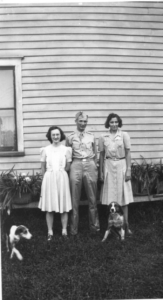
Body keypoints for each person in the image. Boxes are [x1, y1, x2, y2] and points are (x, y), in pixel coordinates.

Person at [99, 113, 133, 234]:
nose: (114, 124)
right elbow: (101, 155)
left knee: (123, 198)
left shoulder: (124, 135)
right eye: (111, 122)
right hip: (108, 166)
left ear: (119, 123)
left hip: (121, 165)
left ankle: (126, 226)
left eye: (116, 122)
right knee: (110, 197)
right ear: (108, 123)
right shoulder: (103, 137)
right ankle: (111, 226)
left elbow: (128, 153)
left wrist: (128, 169)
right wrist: (101, 173)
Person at [66, 111, 100, 235]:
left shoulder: (91, 136)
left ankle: (94, 227)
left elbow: (95, 154)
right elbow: (68, 155)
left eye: (85, 121)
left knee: (92, 197)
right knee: (75, 197)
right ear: (76, 121)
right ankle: (73, 229)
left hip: (90, 163)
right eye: (80, 121)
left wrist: (94, 167)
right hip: (76, 164)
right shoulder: (70, 137)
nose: (83, 123)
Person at [38, 126, 72, 241]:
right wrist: (46, 179)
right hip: (49, 178)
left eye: (58, 134)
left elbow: (68, 166)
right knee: (49, 205)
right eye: (53, 135)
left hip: (62, 177)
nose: (56, 137)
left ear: (61, 135)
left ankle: (64, 230)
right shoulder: (45, 150)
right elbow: (42, 167)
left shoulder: (66, 149)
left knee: (64, 205)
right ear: (50, 136)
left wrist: (60, 173)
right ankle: (50, 231)